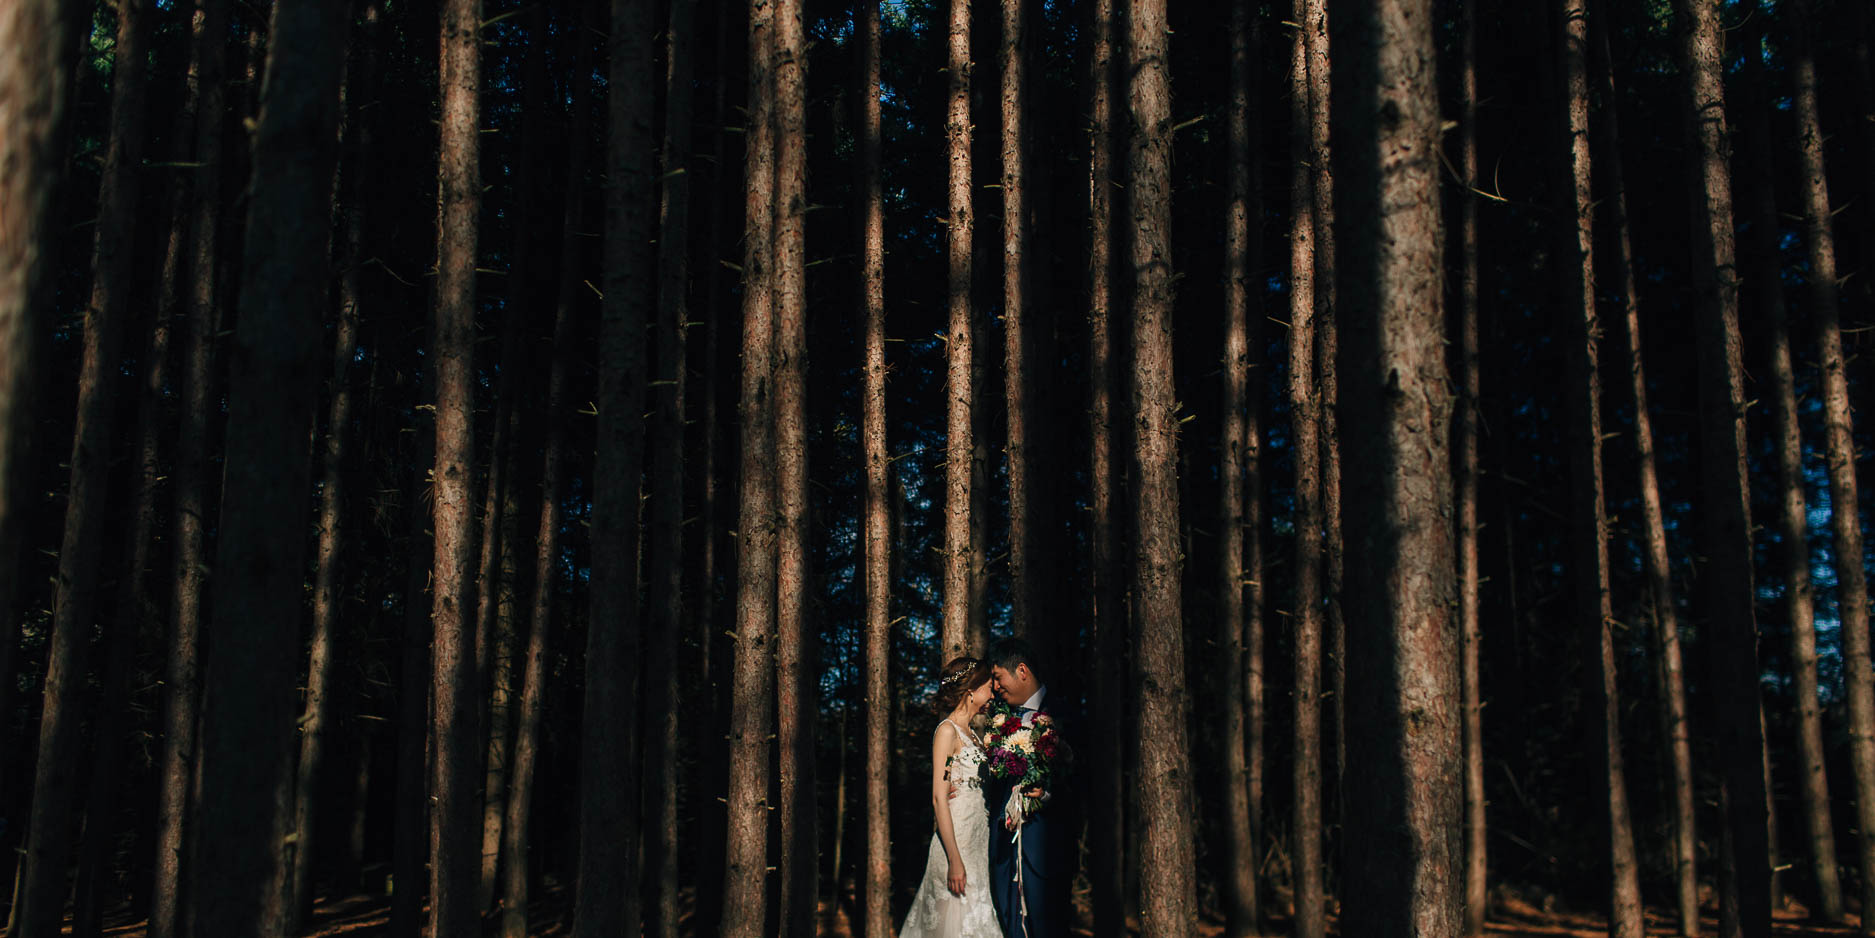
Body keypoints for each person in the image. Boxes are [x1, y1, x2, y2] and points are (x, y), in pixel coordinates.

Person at [898, 656, 1002, 938]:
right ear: (972, 691)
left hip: (977, 845)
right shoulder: (947, 731)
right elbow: (938, 798)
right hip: (955, 846)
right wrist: (955, 860)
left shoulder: (975, 735)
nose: (992, 694)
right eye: (989, 688)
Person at [984, 637, 1075, 938]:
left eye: (998, 678)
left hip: (1046, 851)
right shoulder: (999, 719)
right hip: (1005, 853)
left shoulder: (1064, 713)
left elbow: (1082, 776)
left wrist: (1047, 795)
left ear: (1021, 670)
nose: (995, 687)